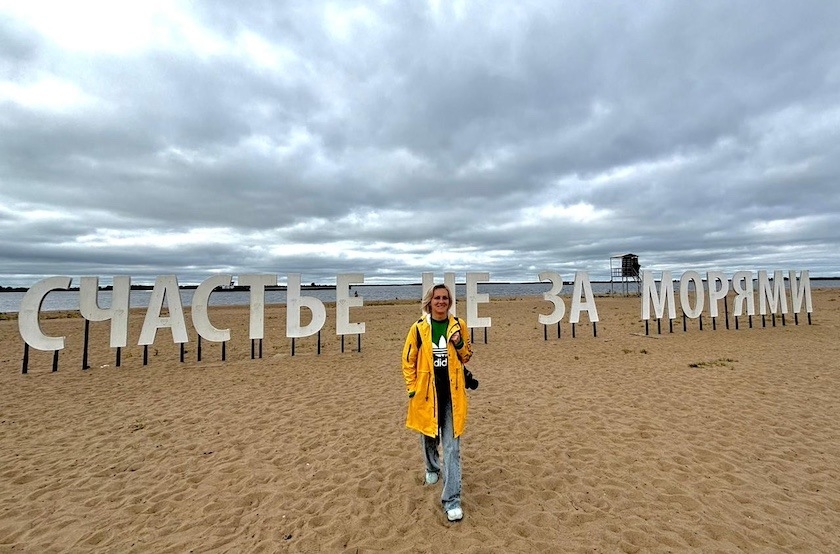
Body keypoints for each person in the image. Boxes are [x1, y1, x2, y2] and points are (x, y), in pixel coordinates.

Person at [401, 283, 473, 522]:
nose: (441, 301)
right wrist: (413, 389)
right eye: (436, 298)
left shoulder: (458, 325)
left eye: (445, 298)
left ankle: (452, 500)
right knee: (429, 435)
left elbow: (467, 355)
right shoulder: (419, 328)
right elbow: (408, 360)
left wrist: (459, 342)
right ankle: (432, 467)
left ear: (449, 302)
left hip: (452, 394)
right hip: (427, 394)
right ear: (429, 302)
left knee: (452, 447)